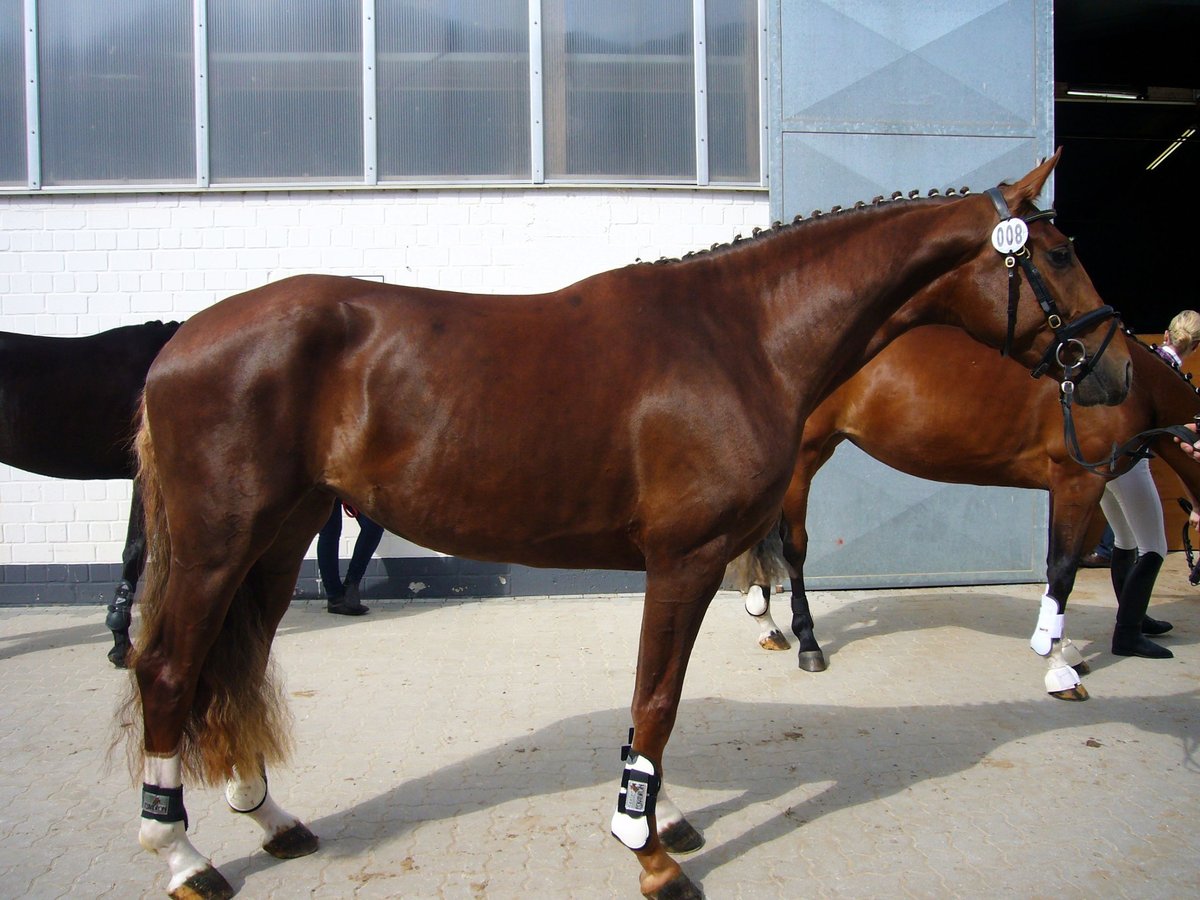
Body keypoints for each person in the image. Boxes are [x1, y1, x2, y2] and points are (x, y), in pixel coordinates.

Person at [1103, 309, 1200, 658]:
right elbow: (1179, 451)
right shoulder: (1172, 379)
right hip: (1131, 463)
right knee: (1155, 548)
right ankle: (1127, 634)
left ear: (1166, 335)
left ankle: (1134, 617)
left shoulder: (1138, 358)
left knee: (1125, 540)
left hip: (1104, 461)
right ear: (1195, 347)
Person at [317, 500, 384, 616]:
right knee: (329, 532)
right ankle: (335, 598)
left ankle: (351, 584)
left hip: (348, 488)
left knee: (374, 525)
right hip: (322, 490)